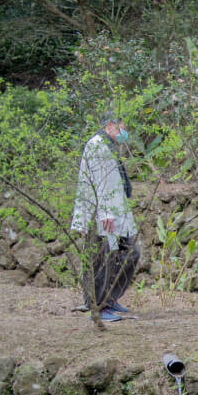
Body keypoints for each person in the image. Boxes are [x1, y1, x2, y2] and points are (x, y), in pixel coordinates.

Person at [71, 113, 140, 323]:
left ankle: (109, 298)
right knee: (102, 259)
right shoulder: (96, 146)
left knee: (131, 253)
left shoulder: (109, 146)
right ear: (110, 126)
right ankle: (98, 306)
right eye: (122, 127)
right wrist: (105, 214)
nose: (124, 132)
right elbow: (98, 182)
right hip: (102, 213)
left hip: (116, 211)